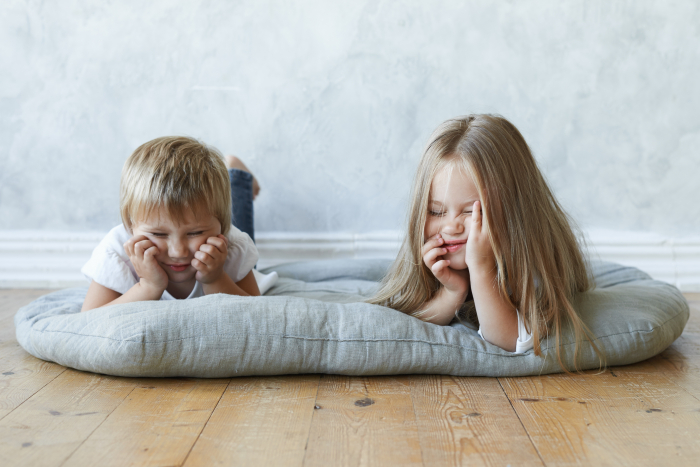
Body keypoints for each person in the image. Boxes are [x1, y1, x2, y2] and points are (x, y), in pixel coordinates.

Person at [369, 114, 603, 368]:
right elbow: (411, 323)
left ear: (514, 211)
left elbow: (514, 342)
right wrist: (452, 293)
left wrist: (481, 268)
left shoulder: (530, 263)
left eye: (471, 211)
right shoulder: (433, 256)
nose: (451, 226)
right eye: (436, 212)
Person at [81, 136, 275, 312]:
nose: (178, 252)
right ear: (130, 226)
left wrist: (216, 279)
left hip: (227, 242)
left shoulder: (233, 245)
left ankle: (236, 176)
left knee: (235, 218)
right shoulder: (117, 253)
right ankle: (234, 174)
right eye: (159, 234)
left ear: (222, 228)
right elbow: (87, 321)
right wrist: (148, 286)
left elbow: (255, 315)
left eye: (195, 232)